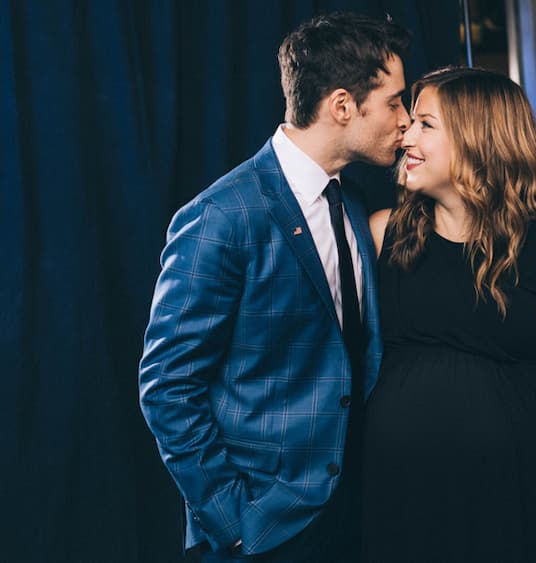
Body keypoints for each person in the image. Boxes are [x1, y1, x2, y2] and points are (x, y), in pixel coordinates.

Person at [138, 12, 410, 563]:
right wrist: (235, 522)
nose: (405, 120)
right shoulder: (221, 215)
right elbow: (167, 386)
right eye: (395, 102)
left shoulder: (352, 203)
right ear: (341, 106)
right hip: (266, 530)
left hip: (354, 517)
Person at [363, 67, 536, 563]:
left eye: (426, 124)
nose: (405, 133)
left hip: (513, 493)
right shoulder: (382, 234)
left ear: (478, 140)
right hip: (400, 497)